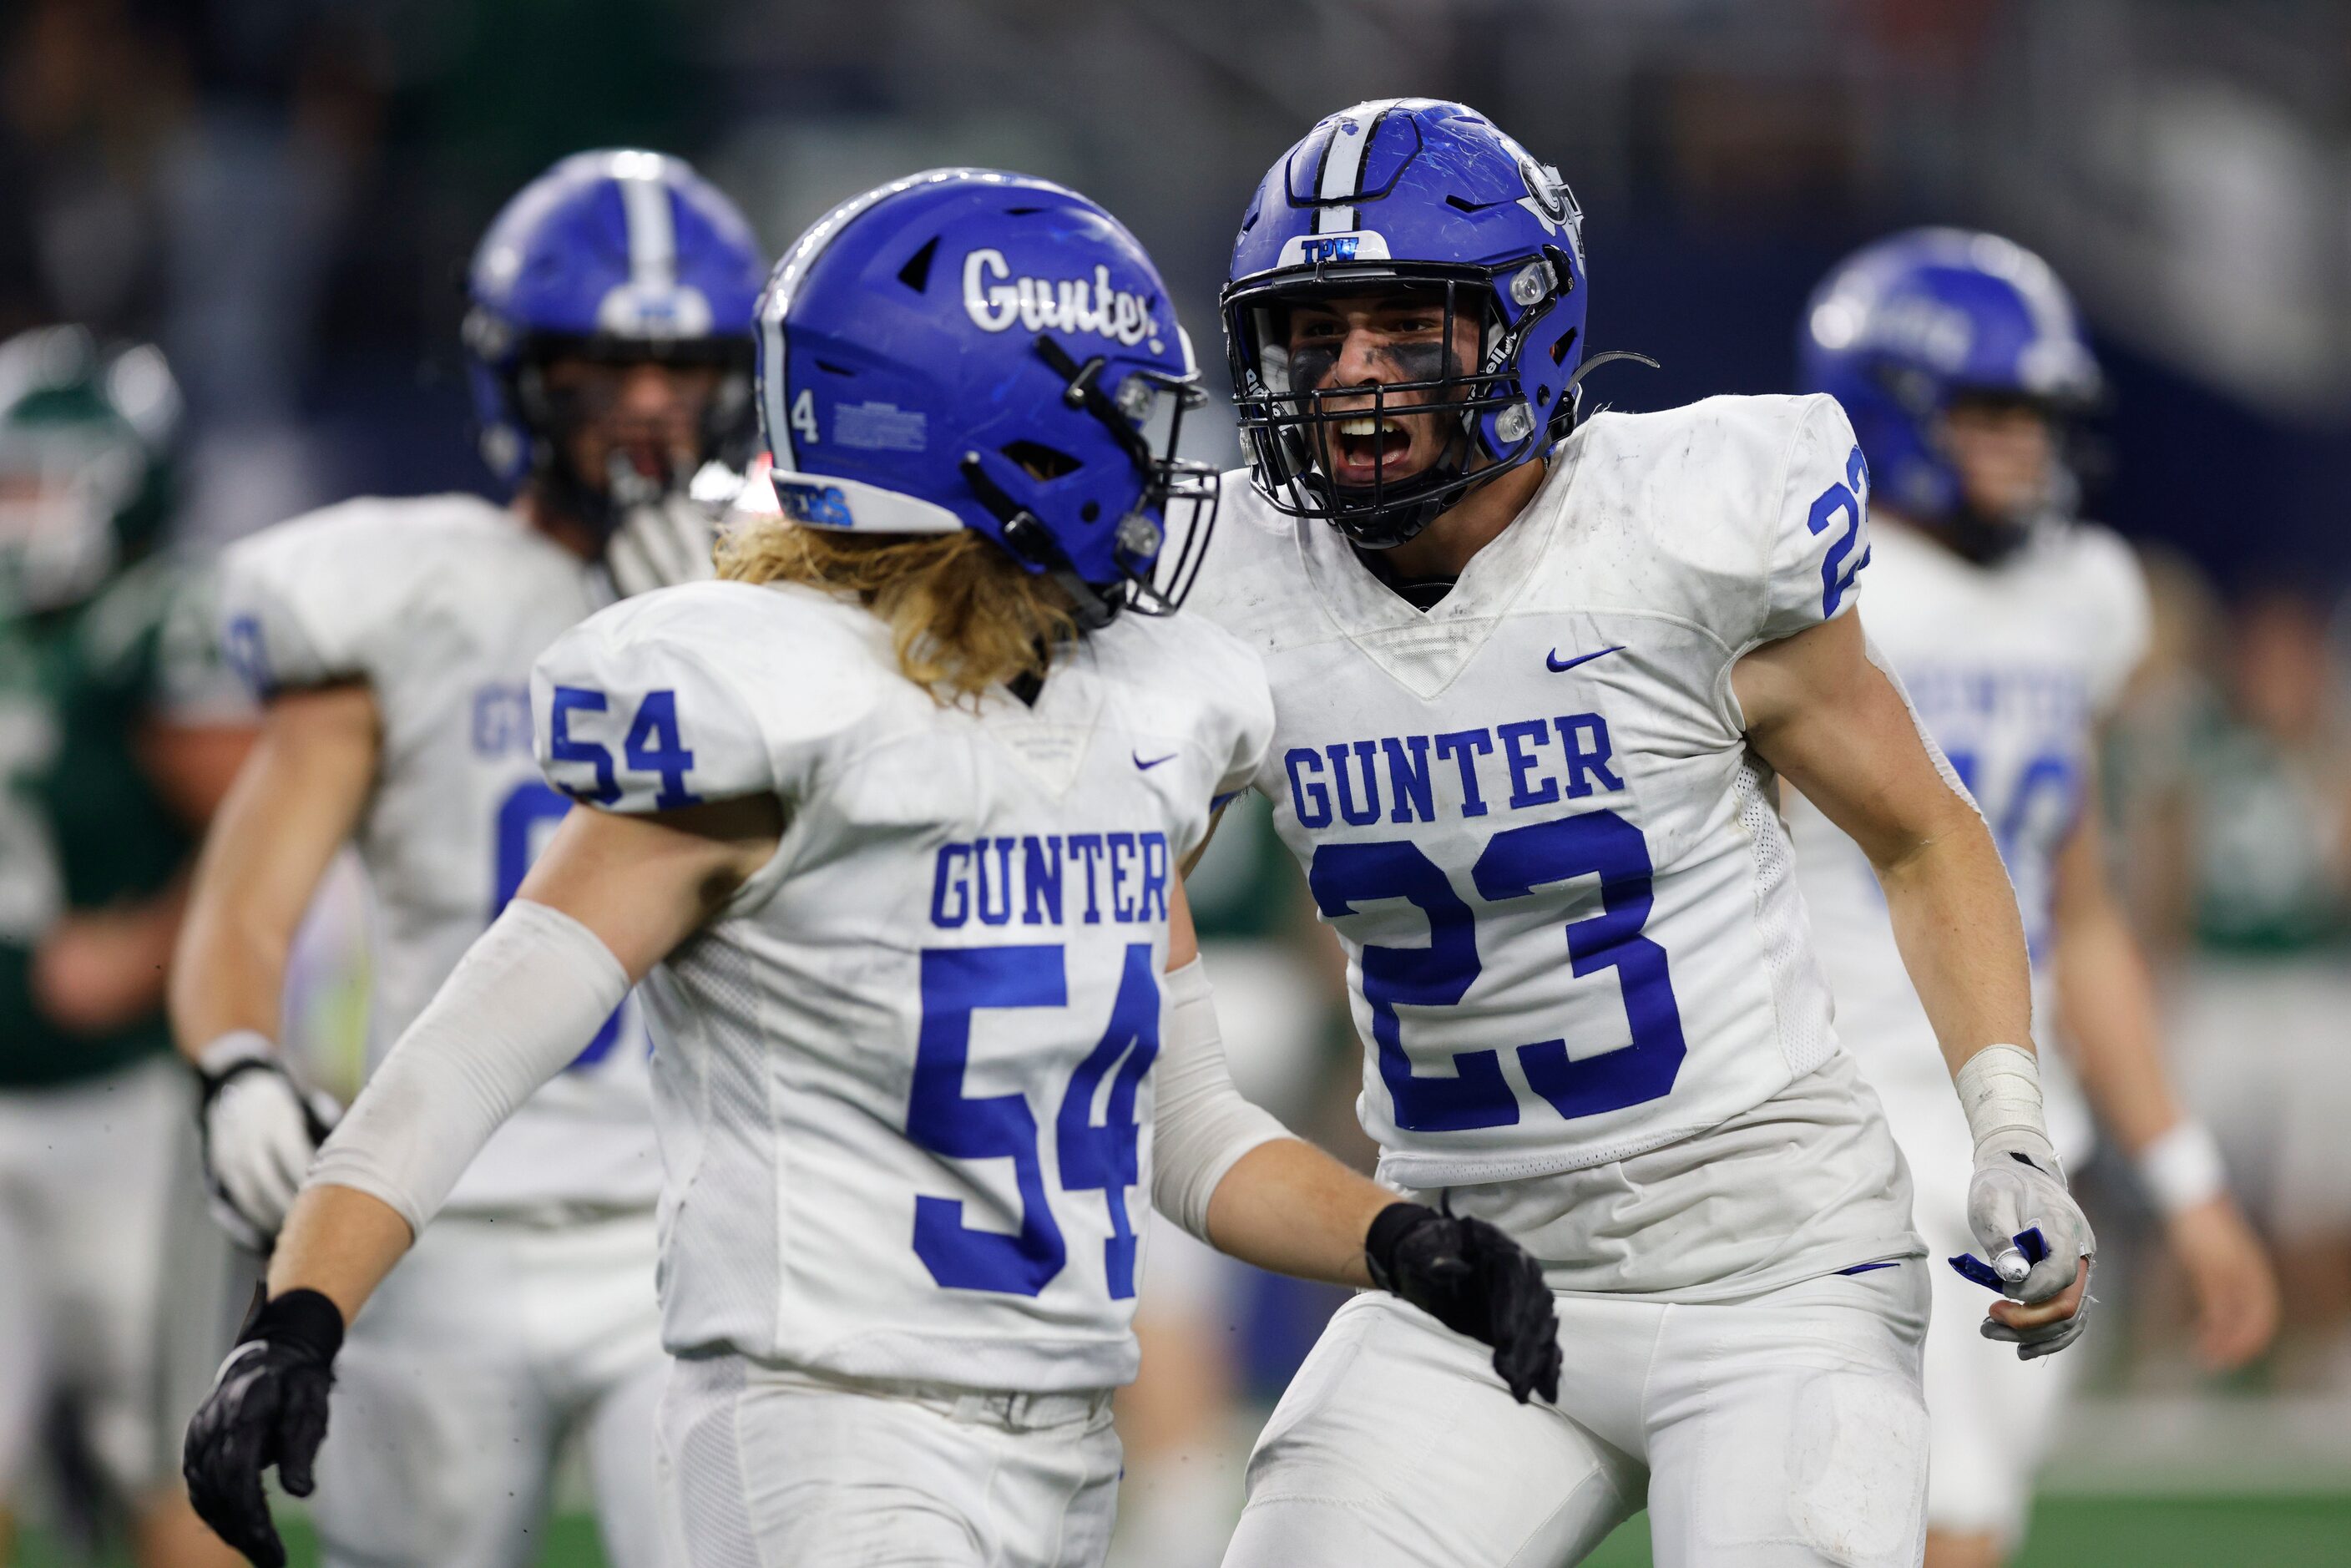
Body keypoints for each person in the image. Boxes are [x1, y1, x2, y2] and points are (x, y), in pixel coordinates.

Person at [177, 167, 1563, 1568]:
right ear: (1013, 437)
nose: (1156, 466)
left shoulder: (1129, 715)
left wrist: (1401, 1241)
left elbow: (1186, 1131)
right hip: (828, 1432)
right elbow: (462, 1059)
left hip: (1064, 1436)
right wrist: (297, 1317)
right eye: (1122, 417)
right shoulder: (768, 715)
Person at [1190, 99, 2097, 1568]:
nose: (1353, 373)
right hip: (1464, 1268)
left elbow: (1928, 835)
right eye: (1315, 329)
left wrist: (2009, 1130)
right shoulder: (1234, 589)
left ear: (1520, 331)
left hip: (1773, 1267)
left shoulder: (1681, 532)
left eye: (1404, 324)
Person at [167, 148, 764, 1568]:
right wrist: (238, 1058)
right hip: (441, 1215)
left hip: (699, 1213)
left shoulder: (783, 589)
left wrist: (718, 621)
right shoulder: (405, 589)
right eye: (601, 367)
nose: (645, 407)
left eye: (679, 366)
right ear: (519, 373)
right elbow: (249, 901)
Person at [1783, 228, 2279, 1566]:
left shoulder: (2084, 598)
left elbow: (2081, 912)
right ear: (1895, 400)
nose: (2025, 444)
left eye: (2039, 415)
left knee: (1970, 1527)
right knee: (1922, 1533)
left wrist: (2185, 1177)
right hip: (1836, 1134)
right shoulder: (1802, 593)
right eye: (1992, 409)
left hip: (2014, 1145)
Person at [0, 326, 251, 1568]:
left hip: (128, 1106)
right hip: (6, 1092)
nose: (20, 508)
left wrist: (147, 946)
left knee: (173, 1470)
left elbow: (259, 834)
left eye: (45, 476)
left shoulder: (164, 620)